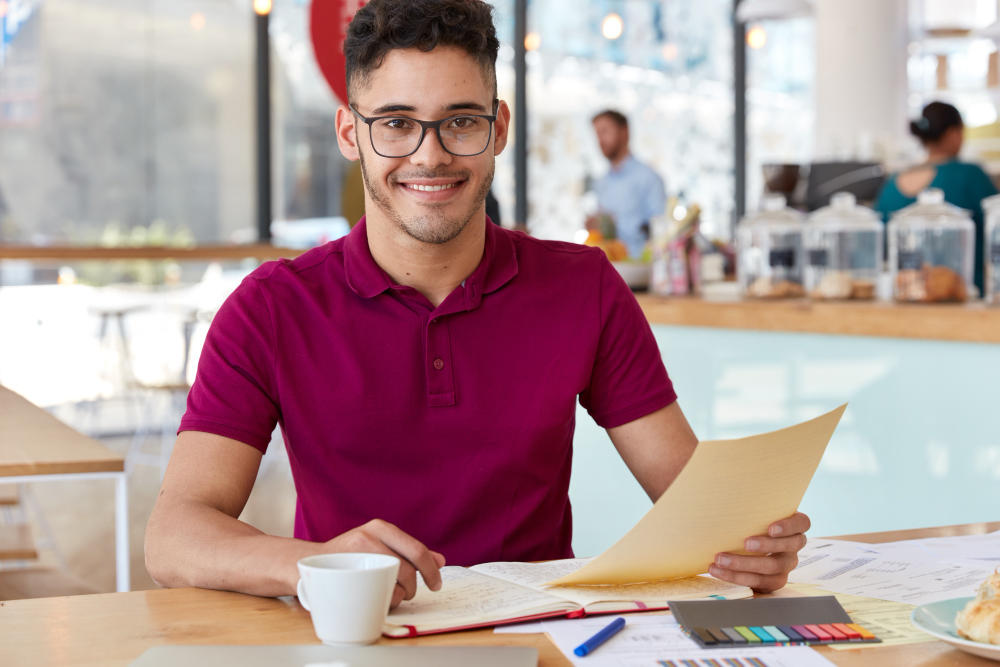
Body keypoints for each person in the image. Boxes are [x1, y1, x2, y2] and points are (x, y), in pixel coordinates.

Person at [145, 0, 810, 609]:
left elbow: (693, 501)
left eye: (460, 121)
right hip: (358, 636)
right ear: (350, 133)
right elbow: (173, 537)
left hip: (541, 639)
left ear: (499, 128)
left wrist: (750, 545)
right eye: (397, 124)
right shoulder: (269, 308)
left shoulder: (584, 287)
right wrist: (314, 565)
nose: (430, 156)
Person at [875, 101, 998, 294]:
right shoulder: (968, 175)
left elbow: (879, 246)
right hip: (964, 297)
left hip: (905, 296)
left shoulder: (892, 182)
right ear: (953, 134)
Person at [590, 109, 667, 258]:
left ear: (625, 132)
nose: (600, 140)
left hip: (640, 271)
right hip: (609, 269)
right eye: (597, 134)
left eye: (605, 131)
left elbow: (660, 232)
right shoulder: (602, 182)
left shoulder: (648, 178)